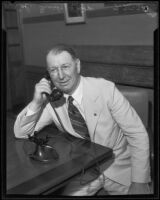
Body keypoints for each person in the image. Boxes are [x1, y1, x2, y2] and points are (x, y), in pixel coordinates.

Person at [14, 44, 151, 195]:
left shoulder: (105, 90)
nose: (60, 75)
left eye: (65, 66)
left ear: (77, 66)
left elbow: (138, 134)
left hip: (118, 167)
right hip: (85, 169)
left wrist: (140, 182)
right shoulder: (51, 101)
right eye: (53, 70)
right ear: (48, 75)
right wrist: (36, 103)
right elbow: (21, 132)